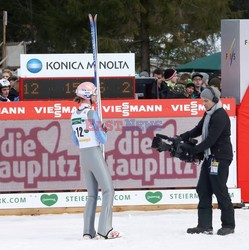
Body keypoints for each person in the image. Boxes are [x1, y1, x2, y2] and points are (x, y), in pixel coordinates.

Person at [180, 86, 235, 236]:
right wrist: (181, 137)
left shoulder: (220, 115)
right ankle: (204, 225)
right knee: (203, 189)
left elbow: (211, 140)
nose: (203, 103)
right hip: (210, 157)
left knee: (219, 189)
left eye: (206, 101)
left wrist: (193, 150)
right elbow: (197, 130)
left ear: (215, 100)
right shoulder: (209, 113)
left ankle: (228, 225)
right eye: (202, 101)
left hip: (220, 157)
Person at [71, 82, 120, 240]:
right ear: (88, 95)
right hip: (94, 152)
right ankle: (105, 229)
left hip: (83, 154)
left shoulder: (74, 114)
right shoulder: (91, 114)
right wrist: (103, 128)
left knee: (92, 194)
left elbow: (76, 141)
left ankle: (88, 231)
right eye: (94, 93)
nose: (95, 96)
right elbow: (102, 138)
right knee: (108, 190)